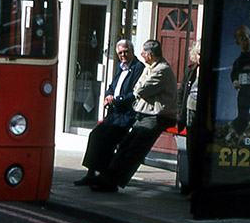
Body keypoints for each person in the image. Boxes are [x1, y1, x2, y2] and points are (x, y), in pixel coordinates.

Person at [90, 39, 178, 192]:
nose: (142, 55)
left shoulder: (161, 69)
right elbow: (138, 87)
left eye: (144, 52)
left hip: (157, 116)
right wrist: (139, 89)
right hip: (145, 113)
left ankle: (114, 181)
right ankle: (108, 177)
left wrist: (139, 89)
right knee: (125, 144)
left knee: (135, 149)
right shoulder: (151, 67)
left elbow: (142, 90)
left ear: (149, 55)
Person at [74, 39, 145, 186]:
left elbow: (135, 93)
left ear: (132, 51)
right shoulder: (120, 66)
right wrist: (108, 96)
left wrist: (117, 99)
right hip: (114, 112)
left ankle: (104, 175)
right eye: (120, 53)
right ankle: (90, 173)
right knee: (95, 135)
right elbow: (112, 86)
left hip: (126, 114)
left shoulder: (139, 67)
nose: (123, 55)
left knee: (108, 138)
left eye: (126, 51)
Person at [177, 43, 200, 134]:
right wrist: (180, 110)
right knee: (191, 139)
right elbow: (181, 91)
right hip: (189, 111)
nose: (200, 57)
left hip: (203, 114)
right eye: (199, 54)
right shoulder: (190, 70)